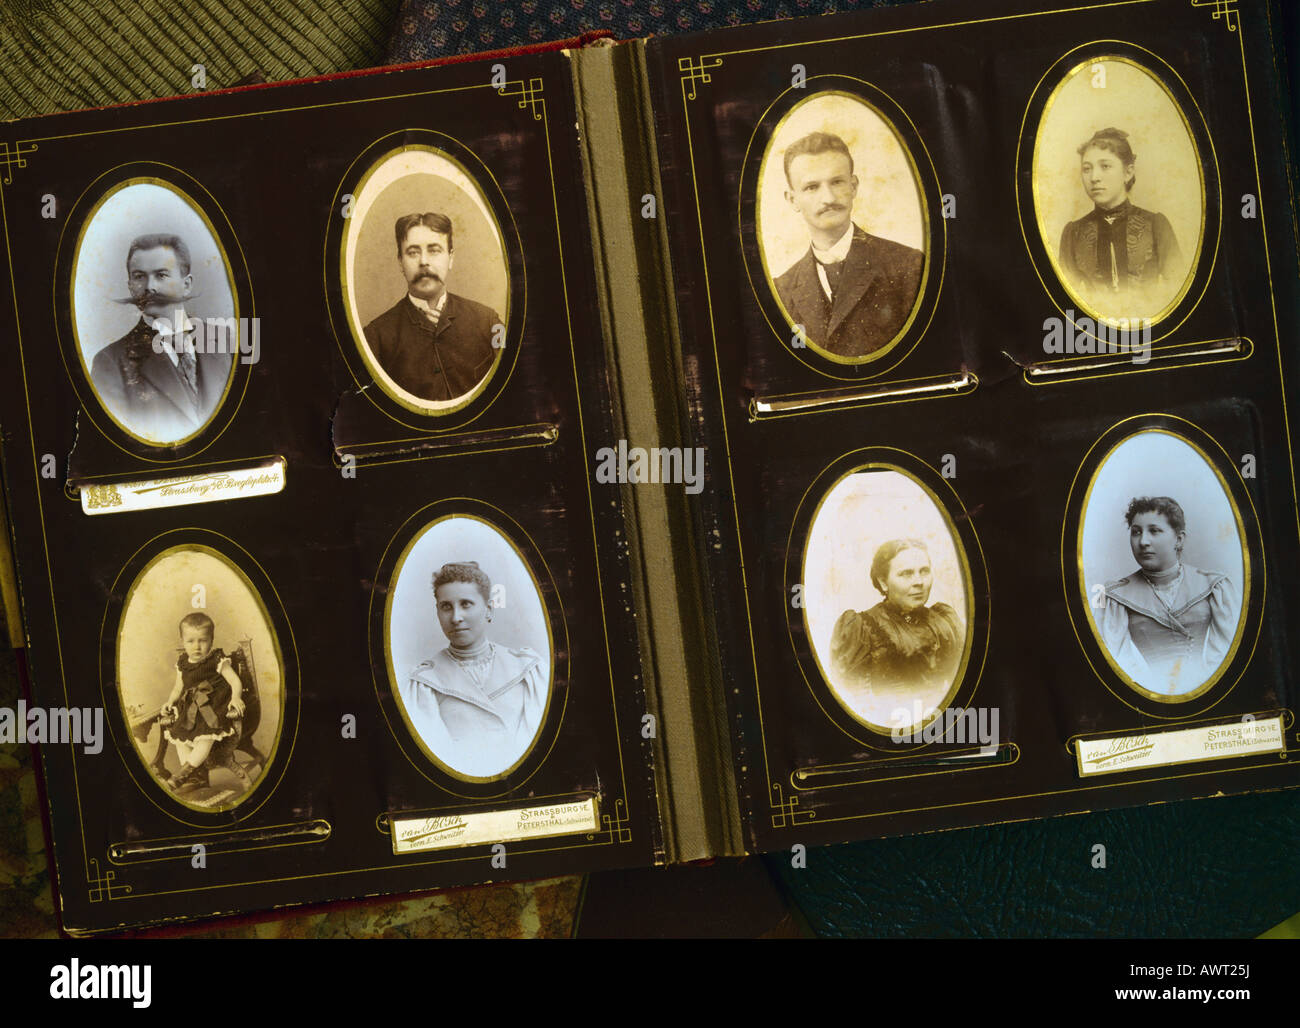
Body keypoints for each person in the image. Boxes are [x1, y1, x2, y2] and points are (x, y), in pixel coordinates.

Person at [773, 132, 923, 358]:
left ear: (853, 187)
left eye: (837, 182)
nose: (829, 198)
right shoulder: (781, 290)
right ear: (792, 199)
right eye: (812, 187)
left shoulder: (908, 265)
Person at [402, 561, 545, 777]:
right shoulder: (423, 683)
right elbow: (440, 761)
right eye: (446, 606)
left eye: (466, 604)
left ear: (488, 610)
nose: (456, 617)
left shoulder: (528, 669)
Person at [89, 233, 231, 444]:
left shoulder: (226, 341)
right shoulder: (110, 363)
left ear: (187, 285)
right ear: (130, 286)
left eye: (161, 275)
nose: (149, 287)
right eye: (139, 276)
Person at [1099, 496, 1239, 696]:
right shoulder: (1114, 596)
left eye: (1154, 531)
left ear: (1179, 539)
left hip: (1211, 691)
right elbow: (1119, 662)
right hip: (1149, 695)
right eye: (1136, 532)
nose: (1143, 541)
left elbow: (1227, 653)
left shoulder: (1215, 585)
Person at [362, 212, 502, 403]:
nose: (424, 261)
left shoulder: (487, 321)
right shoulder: (375, 337)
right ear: (400, 262)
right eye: (413, 252)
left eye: (434, 250)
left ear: (450, 258)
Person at [1058, 128, 1182, 314]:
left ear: (1128, 172)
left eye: (1105, 166)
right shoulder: (1073, 233)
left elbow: (1178, 288)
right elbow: (1065, 303)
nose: (1094, 178)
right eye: (1087, 169)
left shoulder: (1155, 225)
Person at [829, 539, 964, 702]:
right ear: (883, 582)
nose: (919, 582)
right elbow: (851, 700)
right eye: (906, 574)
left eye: (924, 571)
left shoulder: (945, 620)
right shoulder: (863, 628)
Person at [157, 612, 247, 791]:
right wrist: (169, 701)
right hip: (190, 709)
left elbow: (235, 681)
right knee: (179, 738)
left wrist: (236, 697)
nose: (197, 646)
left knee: (205, 739)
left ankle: (181, 775)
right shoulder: (183, 663)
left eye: (202, 640)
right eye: (191, 641)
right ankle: (193, 775)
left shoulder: (217, 660)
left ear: (211, 640)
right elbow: (178, 688)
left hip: (212, 708)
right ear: (182, 641)